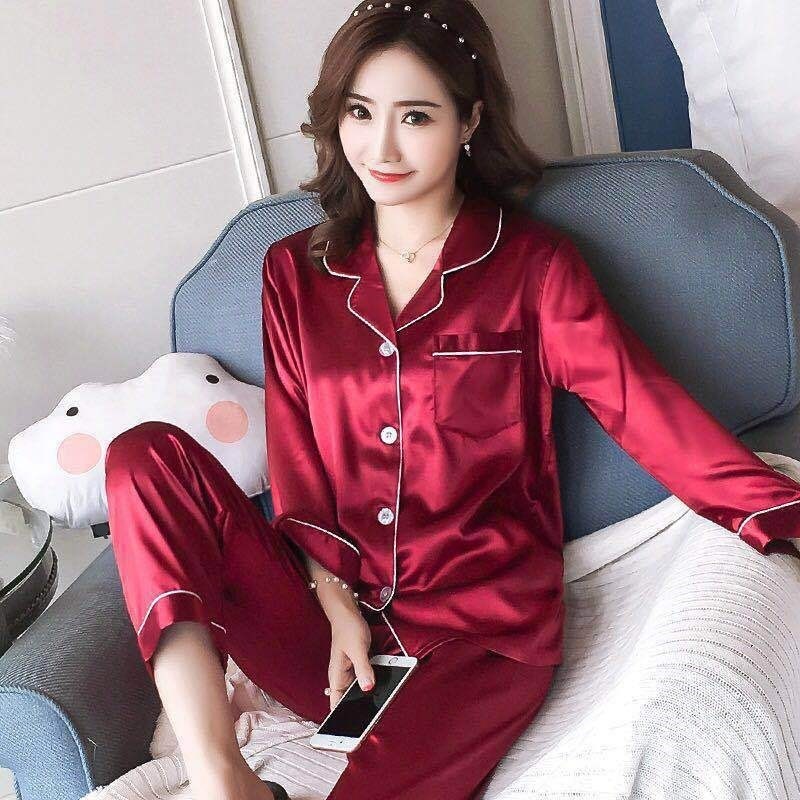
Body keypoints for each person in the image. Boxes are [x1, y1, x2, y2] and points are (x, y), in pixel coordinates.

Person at [104, 2, 800, 799]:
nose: (382, 147)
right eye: (360, 113)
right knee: (141, 457)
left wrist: (782, 515)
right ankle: (223, 777)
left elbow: (651, 418)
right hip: (334, 632)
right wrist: (333, 600)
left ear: (469, 120)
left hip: (481, 635)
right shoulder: (293, 271)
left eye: (416, 116)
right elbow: (298, 474)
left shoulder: (534, 269)